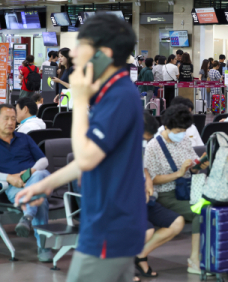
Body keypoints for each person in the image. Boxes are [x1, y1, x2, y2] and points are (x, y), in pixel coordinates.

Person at [15, 15, 147, 282]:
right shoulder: (116, 91)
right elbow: (93, 156)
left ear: (103, 54)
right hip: (108, 222)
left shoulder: (119, 95)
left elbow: (86, 157)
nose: (72, 53)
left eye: (80, 45)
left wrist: (79, 99)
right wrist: (45, 183)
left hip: (109, 227)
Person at [144, 104, 209, 275]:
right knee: (200, 213)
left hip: (187, 190)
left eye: (184, 130)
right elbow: (152, 179)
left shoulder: (185, 140)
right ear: (166, 127)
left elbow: (193, 167)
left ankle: (207, 256)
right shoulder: (153, 146)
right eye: (179, 130)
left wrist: (199, 164)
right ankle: (194, 259)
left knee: (212, 208)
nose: (182, 134)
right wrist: (178, 173)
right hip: (167, 194)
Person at [136, 111, 185, 280]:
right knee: (147, 231)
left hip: (145, 200)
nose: (144, 141)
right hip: (127, 203)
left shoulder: (136, 145)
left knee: (176, 222)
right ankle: (121, 268)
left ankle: (140, 256)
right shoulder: (115, 146)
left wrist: (147, 181)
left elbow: (144, 169)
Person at [0, 104, 52, 261]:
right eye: (6, 118)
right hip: (12, 186)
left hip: (32, 178)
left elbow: (43, 160)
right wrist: (9, 178)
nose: (10, 122)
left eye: (13, 119)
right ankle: (43, 247)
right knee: (39, 199)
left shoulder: (24, 138)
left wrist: (32, 172)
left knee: (41, 173)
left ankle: (28, 215)